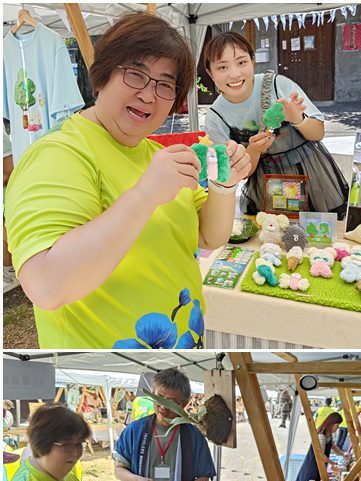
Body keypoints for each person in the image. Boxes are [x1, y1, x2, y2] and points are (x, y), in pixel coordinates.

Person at [4, 13, 250, 349]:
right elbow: (46, 286)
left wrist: (224, 187)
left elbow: (207, 236)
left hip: (184, 342)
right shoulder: (59, 153)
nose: (150, 95)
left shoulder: (154, 153)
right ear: (103, 75)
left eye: (165, 84)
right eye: (136, 74)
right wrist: (145, 195)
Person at [202, 31, 347, 217]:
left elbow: (318, 133)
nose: (235, 74)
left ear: (253, 61)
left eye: (242, 62)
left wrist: (297, 119)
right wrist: (253, 150)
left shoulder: (278, 85)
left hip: (313, 178)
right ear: (210, 73)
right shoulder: (216, 117)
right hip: (267, 189)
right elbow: (238, 174)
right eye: (222, 67)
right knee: (274, 236)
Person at [295, 412, 347, 481]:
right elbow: (321, 455)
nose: (337, 428)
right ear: (331, 424)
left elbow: (334, 447)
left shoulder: (328, 434)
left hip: (319, 466)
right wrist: (333, 463)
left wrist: (343, 455)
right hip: (312, 466)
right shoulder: (321, 436)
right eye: (337, 425)